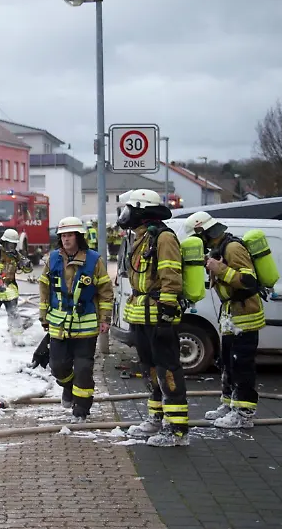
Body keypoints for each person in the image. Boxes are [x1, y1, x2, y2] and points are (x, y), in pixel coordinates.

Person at [119, 189, 190, 447]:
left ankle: (177, 430)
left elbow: (171, 278)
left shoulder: (164, 238)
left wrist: (166, 314)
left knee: (167, 370)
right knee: (150, 369)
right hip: (142, 316)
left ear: (142, 211)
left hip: (159, 317)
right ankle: (157, 418)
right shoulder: (142, 238)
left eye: (130, 209)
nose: (126, 214)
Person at [184, 211, 264, 429]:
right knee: (227, 362)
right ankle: (229, 404)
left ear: (204, 232)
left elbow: (249, 281)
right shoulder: (219, 248)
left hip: (245, 315)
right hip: (231, 314)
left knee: (241, 365)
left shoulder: (233, 248)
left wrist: (221, 270)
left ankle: (244, 413)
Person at [38, 217, 113, 422]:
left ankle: (81, 409)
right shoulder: (52, 259)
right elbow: (44, 288)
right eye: (63, 235)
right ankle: (68, 388)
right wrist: (43, 315)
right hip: (59, 324)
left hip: (85, 325)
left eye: (70, 235)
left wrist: (105, 318)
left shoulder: (94, 260)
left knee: (83, 369)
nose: (66, 239)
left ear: (79, 237)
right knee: (57, 366)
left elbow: (106, 292)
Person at [0, 229, 33, 342]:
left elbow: (27, 270)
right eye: (9, 244)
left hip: (11, 292)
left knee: (14, 316)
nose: (11, 247)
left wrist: (27, 264)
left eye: (13, 245)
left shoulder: (16, 255)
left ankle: (17, 339)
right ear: (4, 243)